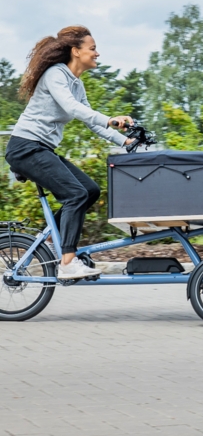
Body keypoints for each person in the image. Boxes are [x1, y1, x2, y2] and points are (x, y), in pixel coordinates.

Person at [5, 26, 133, 280]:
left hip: (41, 149)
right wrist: (111, 119)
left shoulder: (77, 85)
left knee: (90, 190)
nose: (97, 53)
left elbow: (93, 123)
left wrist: (126, 141)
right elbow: (72, 108)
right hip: (25, 146)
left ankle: (52, 241)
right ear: (76, 51)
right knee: (74, 194)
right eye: (93, 48)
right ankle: (67, 263)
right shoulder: (56, 74)